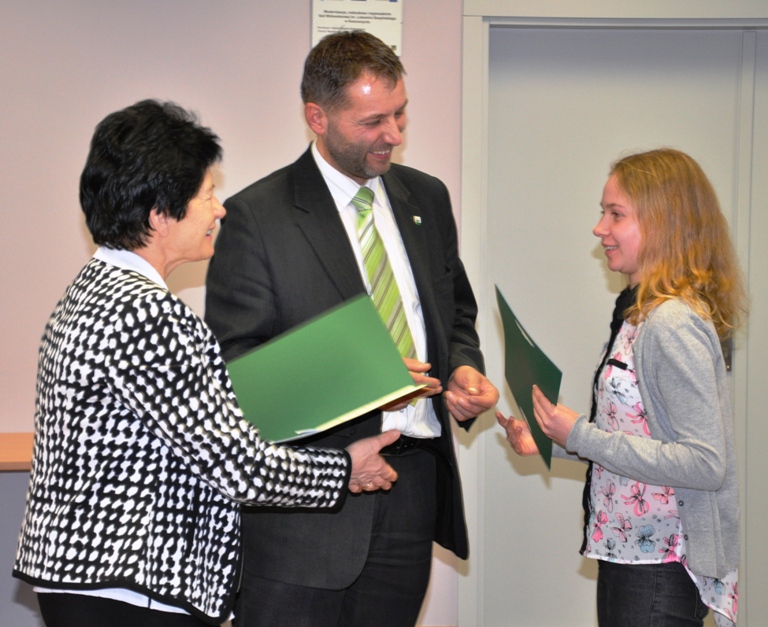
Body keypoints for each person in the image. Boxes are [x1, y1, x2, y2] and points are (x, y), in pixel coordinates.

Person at [12, 99, 402, 627]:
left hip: (86, 577)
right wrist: (345, 470)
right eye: (206, 196)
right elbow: (237, 467)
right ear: (159, 214)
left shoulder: (90, 291)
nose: (219, 210)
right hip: (133, 586)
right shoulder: (148, 313)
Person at [205, 30, 498, 627]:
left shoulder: (426, 198)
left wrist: (465, 367)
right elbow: (239, 369)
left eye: (399, 113)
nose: (394, 134)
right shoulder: (258, 217)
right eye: (372, 122)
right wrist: (365, 378)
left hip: (411, 485)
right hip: (308, 506)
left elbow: (454, 313)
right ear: (318, 117)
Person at [497, 148, 746, 626]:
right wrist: (555, 440)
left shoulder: (672, 322)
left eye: (616, 214)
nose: (599, 228)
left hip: (660, 568)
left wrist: (580, 434)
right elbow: (638, 438)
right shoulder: (639, 314)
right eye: (602, 213)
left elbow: (704, 462)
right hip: (627, 556)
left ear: (663, 224)